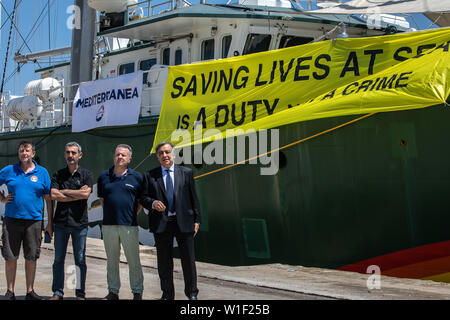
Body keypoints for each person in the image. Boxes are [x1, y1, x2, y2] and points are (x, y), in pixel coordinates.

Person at [141, 142, 201, 300]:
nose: (164, 155)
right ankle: (167, 294)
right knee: (164, 262)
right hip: (162, 223)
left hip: (184, 221)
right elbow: (143, 197)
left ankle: (192, 293)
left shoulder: (186, 172)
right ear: (157, 157)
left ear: (173, 154)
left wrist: (197, 220)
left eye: (167, 152)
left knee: (188, 261)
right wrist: (153, 203)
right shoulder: (149, 175)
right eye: (161, 153)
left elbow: (193, 198)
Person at [0, 141, 53, 300]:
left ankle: (30, 291)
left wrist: (49, 223)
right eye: (21, 151)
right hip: (11, 221)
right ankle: (10, 291)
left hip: (34, 221)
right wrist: (2, 199)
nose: (24, 153)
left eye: (27, 150)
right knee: (10, 256)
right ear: (19, 153)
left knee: (31, 257)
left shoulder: (42, 172)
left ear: (33, 153)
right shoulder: (9, 171)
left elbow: (49, 199)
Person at [97, 144, 144, 300]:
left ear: (129, 159)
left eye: (123, 155)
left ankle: (137, 291)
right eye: (117, 154)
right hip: (109, 225)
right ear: (114, 156)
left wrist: (129, 216)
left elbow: (140, 202)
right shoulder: (104, 176)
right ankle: (113, 291)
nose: (120, 157)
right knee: (111, 261)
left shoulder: (137, 177)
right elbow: (102, 200)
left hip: (129, 226)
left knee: (134, 261)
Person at [49, 142, 93, 300]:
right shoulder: (58, 174)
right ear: (64, 155)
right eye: (68, 152)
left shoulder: (86, 175)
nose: (70, 155)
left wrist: (64, 192)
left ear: (80, 155)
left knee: (80, 260)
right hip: (60, 223)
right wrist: (76, 193)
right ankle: (57, 292)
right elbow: (54, 195)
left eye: (73, 153)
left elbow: (85, 195)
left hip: (79, 224)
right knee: (58, 259)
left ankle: (79, 293)